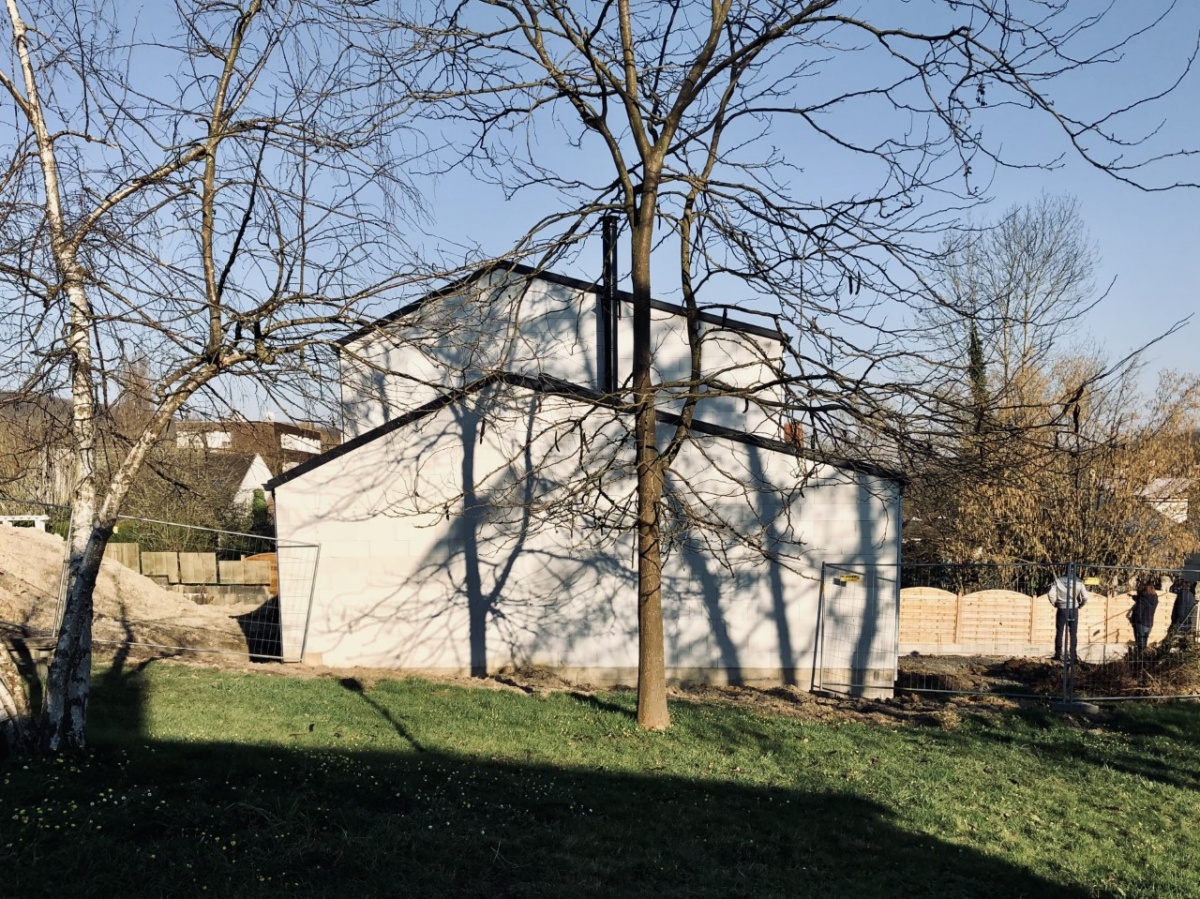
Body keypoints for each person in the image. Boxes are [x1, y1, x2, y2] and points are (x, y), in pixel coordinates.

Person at [1047, 573, 1090, 663]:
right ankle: (1073, 655)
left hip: (1062, 609)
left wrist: (1054, 603)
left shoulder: (1058, 581)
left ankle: (1058, 654)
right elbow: (1085, 596)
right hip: (1074, 609)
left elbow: (1050, 594)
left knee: (1060, 631)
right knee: (1073, 632)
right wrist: (1081, 604)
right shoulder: (1078, 582)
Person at [1128, 580, 1159, 654]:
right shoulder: (1154, 599)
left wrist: (1132, 620)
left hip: (1141, 624)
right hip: (1149, 624)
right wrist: (1133, 597)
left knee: (1140, 646)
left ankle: (1141, 660)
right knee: (1144, 643)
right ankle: (1145, 658)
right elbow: (1143, 600)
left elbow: (1138, 612)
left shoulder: (1143, 599)